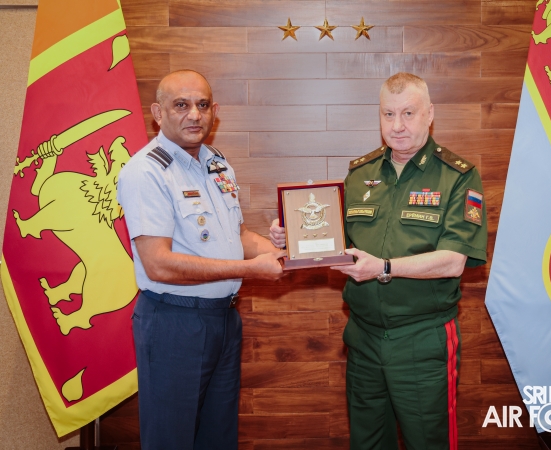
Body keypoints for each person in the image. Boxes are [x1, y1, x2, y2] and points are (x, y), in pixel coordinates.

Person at [269, 72, 487, 450]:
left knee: (428, 443)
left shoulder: (458, 177)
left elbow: (454, 261)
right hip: (363, 338)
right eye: (388, 114)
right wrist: (293, 238)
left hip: (422, 339)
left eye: (408, 113)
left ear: (430, 114)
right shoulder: (360, 174)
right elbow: (336, 242)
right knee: (367, 443)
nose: (397, 125)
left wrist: (385, 268)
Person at [118, 70, 285, 450]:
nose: (194, 114)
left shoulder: (217, 163)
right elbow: (159, 264)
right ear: (158, 113)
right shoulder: (146, 172)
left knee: (218, 437)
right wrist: (250, 269)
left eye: (203, 105)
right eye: (181, 105)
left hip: (223, 320)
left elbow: (237, 237)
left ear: (215, 112)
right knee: (171, 439)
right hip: (174, 323)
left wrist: (282, 253)